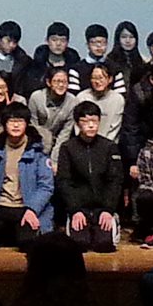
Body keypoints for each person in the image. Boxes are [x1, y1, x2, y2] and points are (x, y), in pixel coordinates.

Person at [0, 104, 54, 250]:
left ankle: (14, 233)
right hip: (0, 204)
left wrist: (32, 209)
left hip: (26, 205)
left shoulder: (38, 150)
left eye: (20, 121)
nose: (16, 125)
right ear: (4, 124)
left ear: (27, 124)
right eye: (11, 121)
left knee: (29, 243)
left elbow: (46, 186)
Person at [55, 100, 124, 252]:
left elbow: (115, 181)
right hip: (79, 208)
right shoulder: (67, 148)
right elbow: (64, 181)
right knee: (79, 245)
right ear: (77, 123)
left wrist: (108, 210)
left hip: (103, 207)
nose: (91, 125)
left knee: (104, 245)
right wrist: (74, 210)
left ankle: (112, 221)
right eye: (85, 121)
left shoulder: (109, 147)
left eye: (94, 121)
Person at [28, 64, 78, 148]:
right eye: (57, 81)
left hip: (58, 142)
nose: (61, 85)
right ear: (48, 82)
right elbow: (33, 126)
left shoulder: (72, 101)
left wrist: (56, 153)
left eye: (64, 82)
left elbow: (65, 133)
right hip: (37, 141)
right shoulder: (36, 97)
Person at [74, 61, 126, 143]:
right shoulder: (81, 97)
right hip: (83, 143)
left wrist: (102, 145)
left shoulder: (118, 99)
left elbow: (115, 128)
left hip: (108, 144)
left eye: (101, 78)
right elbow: (77, 126)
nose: (97, 81)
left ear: (110, 79)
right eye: (94, 78)